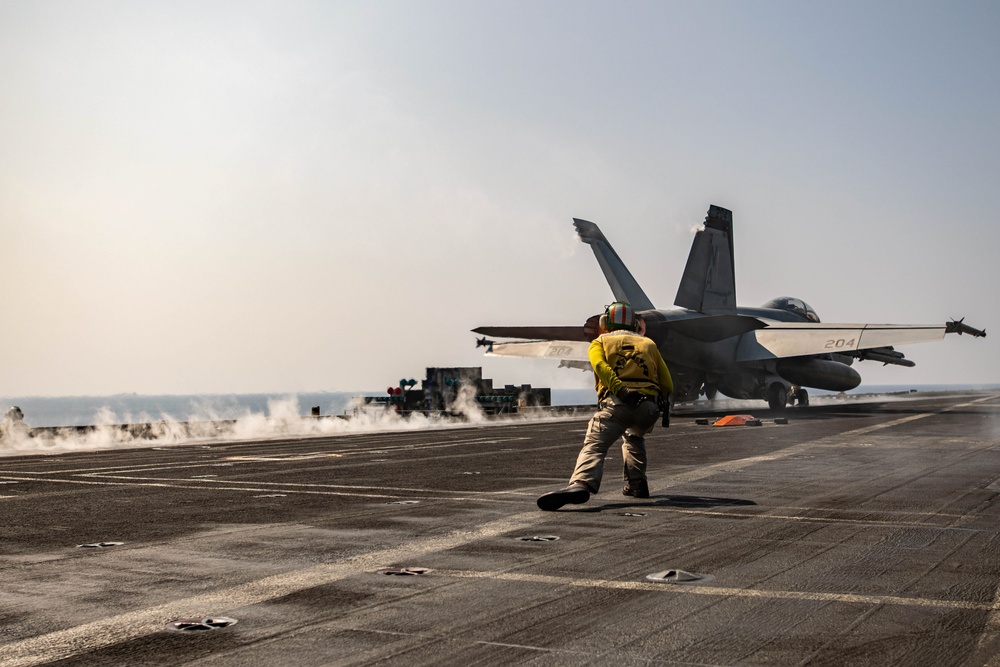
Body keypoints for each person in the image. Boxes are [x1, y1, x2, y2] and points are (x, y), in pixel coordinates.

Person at [537, 302, 673, 511]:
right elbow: (667, 383)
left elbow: (600, 366)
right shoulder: (649, 344)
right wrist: (659, 407)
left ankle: (580, 484)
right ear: (634, 324)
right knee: (634, 437)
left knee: (595, 443)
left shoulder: (600, 341)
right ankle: (636, 484)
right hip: (649, 409)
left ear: (605, 322)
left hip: (619, 404)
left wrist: (623, 391)